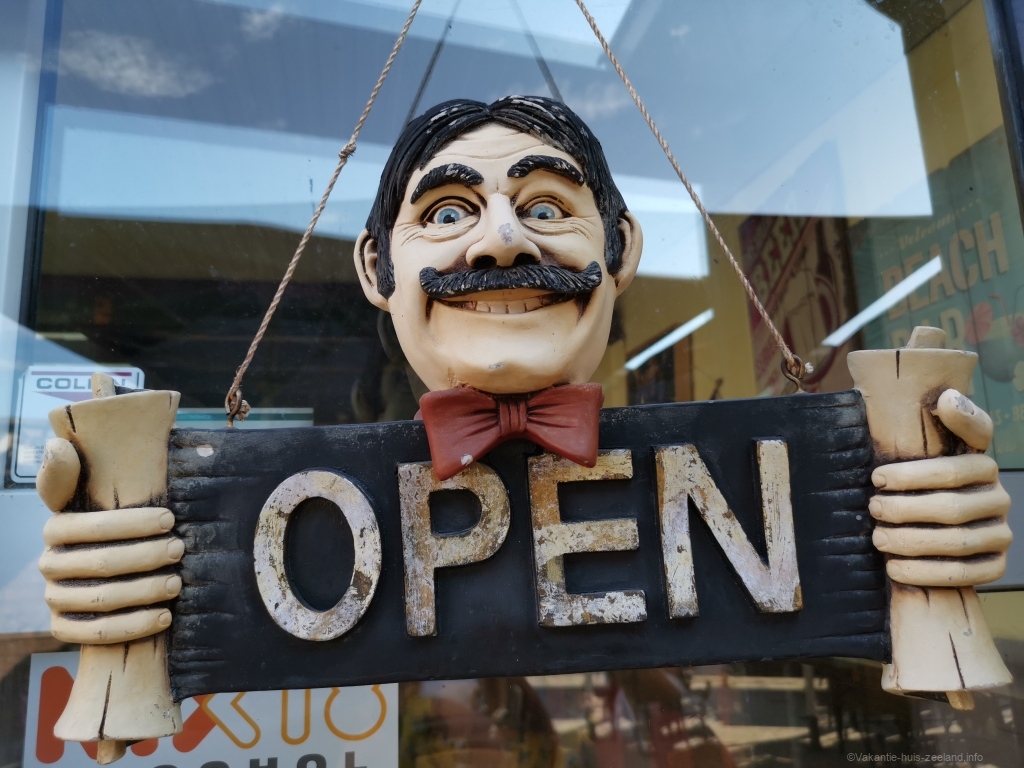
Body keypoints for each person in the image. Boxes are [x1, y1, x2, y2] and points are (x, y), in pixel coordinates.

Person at [36, 96, 1012, 647]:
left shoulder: (777, 489)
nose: (502, 242)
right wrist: (121, 604)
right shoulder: (281, 504)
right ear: (375, 268)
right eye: (447, 213)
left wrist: (923, 541)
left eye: (546, 207)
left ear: (622, 250)